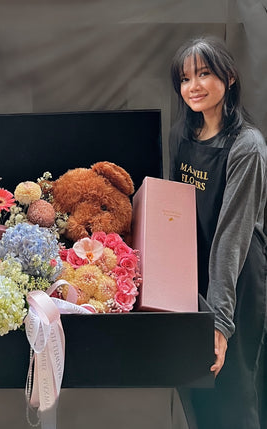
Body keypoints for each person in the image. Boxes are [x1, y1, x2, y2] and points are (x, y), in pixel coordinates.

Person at [169, 36, 267, 428]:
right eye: (185, 77)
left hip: (236, 284)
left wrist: (220, 321)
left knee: (233, 399)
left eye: (204, 74)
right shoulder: (183, 137)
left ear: (228, 77)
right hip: (194, 284)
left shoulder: (248, 147)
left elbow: (231, 238)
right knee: (196, 398)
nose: (193, 86)